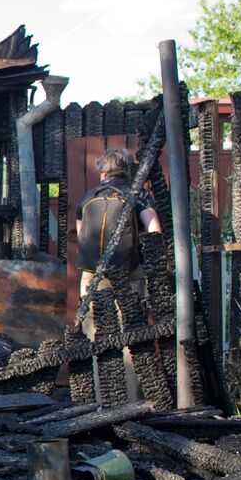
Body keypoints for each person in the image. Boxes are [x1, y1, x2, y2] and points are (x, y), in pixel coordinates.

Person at [74, 147, 162, 400]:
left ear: (102, 171)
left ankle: (99, 399)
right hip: (129, 273)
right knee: (129, 333)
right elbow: (154, 230)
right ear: (127, 169)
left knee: (94, 332)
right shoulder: (139, 196)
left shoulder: (88, 197)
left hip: (92, 275)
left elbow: (81, 237)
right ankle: (131, 400)